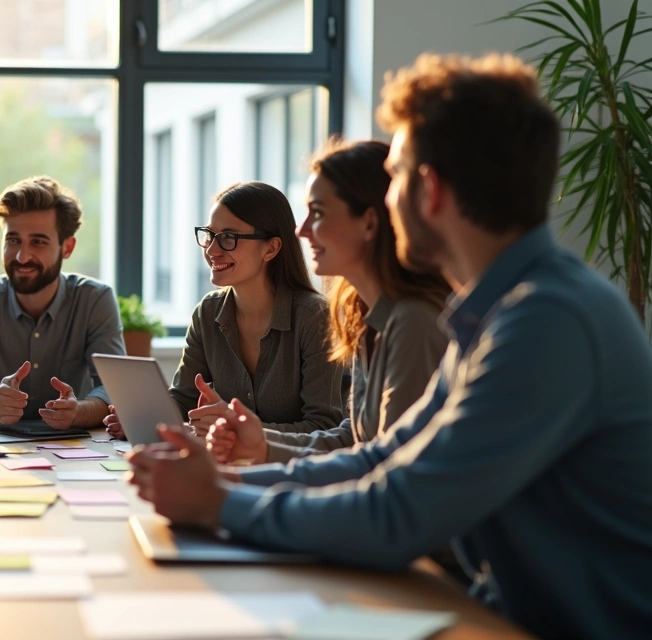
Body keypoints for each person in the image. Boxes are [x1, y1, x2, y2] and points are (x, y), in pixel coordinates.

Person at [127, 54, 652, 639]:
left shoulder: (548, 321)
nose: (387, 195)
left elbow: (399, 512)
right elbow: (382, 457)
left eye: (396, 174)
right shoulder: (495, 315)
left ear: (429, 190)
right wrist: (221, 482)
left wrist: (218, 504)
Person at [208, 140, 450, 464]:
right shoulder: (367, 319)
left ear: (368, 222)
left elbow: (386, 470)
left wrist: (231, 491)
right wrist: (258, 444)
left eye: (317, 213)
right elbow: (353, 440)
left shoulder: (413, 322)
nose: (301, 229)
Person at [106, 181, 343, 441]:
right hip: (225, 465)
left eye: (229, 238)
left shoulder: (315, 317)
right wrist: (146, 418)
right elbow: (183, 400)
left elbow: (324, 427)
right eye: (210, 235)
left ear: (271, 248)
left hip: (292, 473)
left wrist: (235, 431)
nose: (211, 250)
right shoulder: (207, 313)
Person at [0, 176, 125, 429]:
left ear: (67, 247)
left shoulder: (94, 300)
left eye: (38, 242)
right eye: (13, 240)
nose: (22, 256)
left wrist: (77, 412)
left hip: (76, 453)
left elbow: (116, 390)